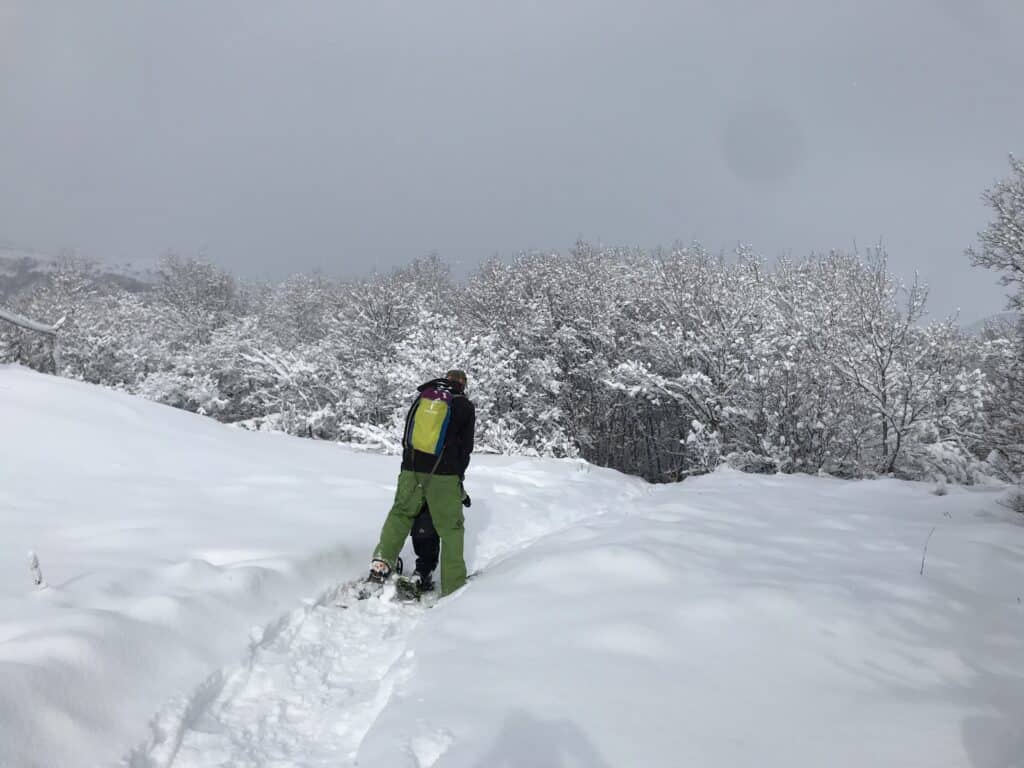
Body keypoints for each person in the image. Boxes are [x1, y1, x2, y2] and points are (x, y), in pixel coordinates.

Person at [368, 369, 475, 596]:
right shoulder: (463, 405)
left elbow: (407, 436)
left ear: (446, 380)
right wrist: (458, 476)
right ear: (463, 384)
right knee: (451, 529)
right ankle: (454, 586)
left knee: (400, 514)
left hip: (411, 468)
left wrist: (408, 466)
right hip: (444, 475)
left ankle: (380, 564)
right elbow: (465, 449)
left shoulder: (423, 398)